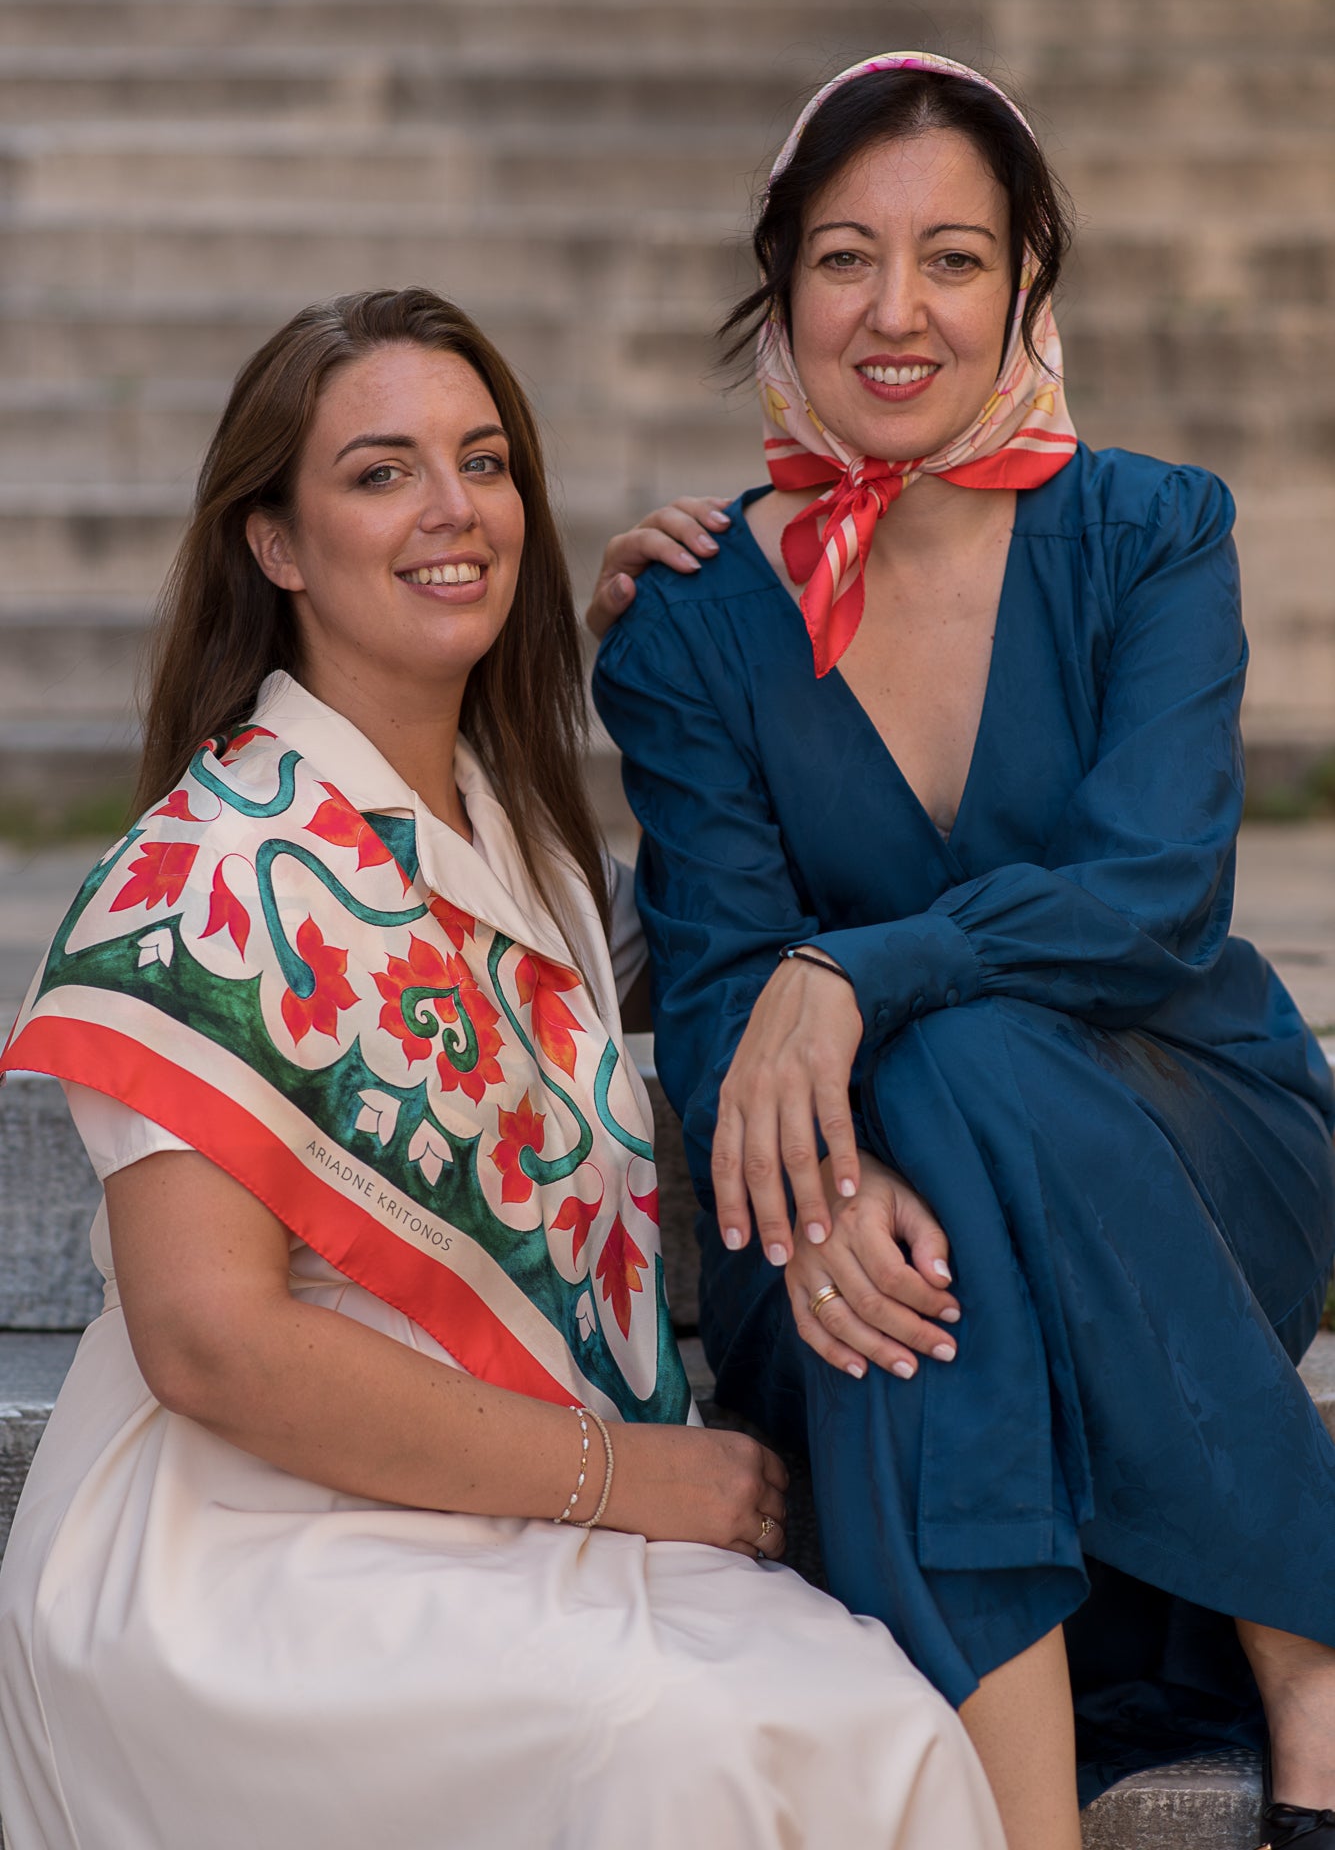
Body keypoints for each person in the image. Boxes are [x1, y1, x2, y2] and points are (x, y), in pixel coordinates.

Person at [0, 288, 1006, 1850]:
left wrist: (721, 611)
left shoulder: (524, 842)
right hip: (246, 1553)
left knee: (872, 1729)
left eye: (485, 463)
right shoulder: (199, 877)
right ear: (273, 541)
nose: (453, 510)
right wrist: (640, 1480)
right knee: (705, 1754)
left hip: (504, 1507)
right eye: (381, 473)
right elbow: (213, 1349)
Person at [589, 54, 1335, 1850]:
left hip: (1189, 1148)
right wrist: (822, 1190)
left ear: (1026, 286)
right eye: (846, 258)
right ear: (780, 286)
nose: (896, 311)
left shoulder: (1154, 532)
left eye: (953, 259)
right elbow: (711, 992)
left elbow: (1154, 892)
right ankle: (1294, 1670)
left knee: (949, 1047)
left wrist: (858, 973)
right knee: (907, 1261)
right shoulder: (689, 620)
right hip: (829, 1200)